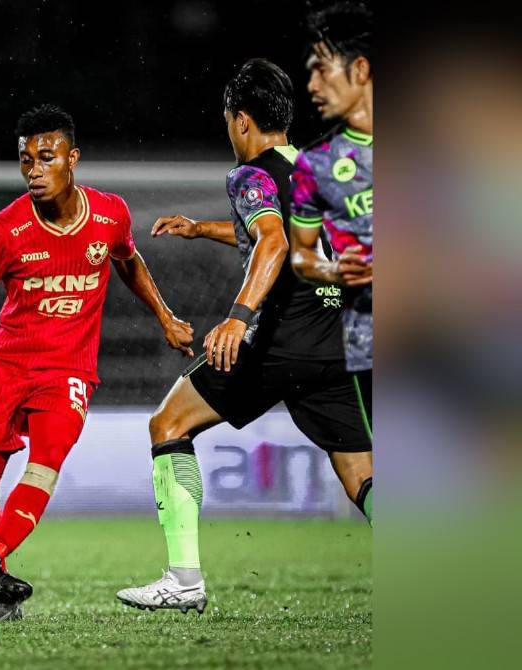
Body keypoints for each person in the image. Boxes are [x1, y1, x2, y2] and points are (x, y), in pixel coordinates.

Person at [115, 58, 373, 615]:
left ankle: (184, 579)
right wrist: (201, 228)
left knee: (168, 423)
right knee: (361, 477)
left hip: (281, 341)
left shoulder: (248, 173)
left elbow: (273, 243)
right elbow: (289, 234)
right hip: (338, 345)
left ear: (240, 121)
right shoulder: (311, 166)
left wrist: (237, 316)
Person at [0, 104, 195, 622]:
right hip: (6, 364)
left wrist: (164, 316)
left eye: (45, 158)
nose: (33, 170)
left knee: (45, 461)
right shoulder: (7, 230)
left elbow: (128, 260)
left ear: (72, 159)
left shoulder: (110, 214)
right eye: (25, 160)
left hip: (69, 370)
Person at [289, 2, 373, 423]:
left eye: (322, 69)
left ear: (360, 70)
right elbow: (301, 254)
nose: (311, 85)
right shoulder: (315, 164)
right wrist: (333, 272)